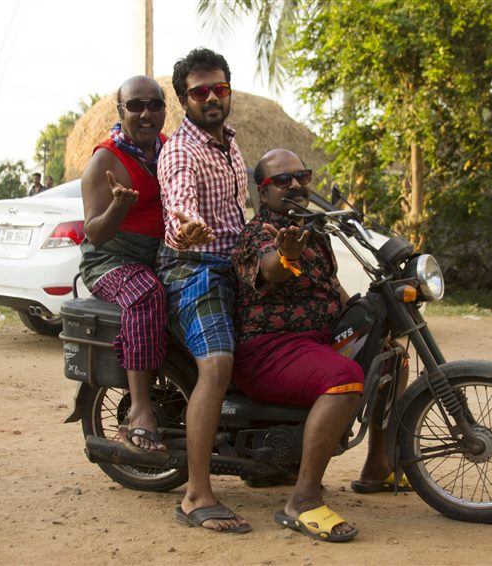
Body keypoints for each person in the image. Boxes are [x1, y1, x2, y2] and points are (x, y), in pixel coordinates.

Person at [231, 148, 407, 542]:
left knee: (390, 357)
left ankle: (376, 467)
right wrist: (286, 255)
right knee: (345, 376)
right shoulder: (259, 233)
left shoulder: (315, 229)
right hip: (270, 350)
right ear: (263, 191)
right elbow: (271, 270)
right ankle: (303, 500)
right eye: (282, 180)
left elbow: (330, 285)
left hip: (316, 341)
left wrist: (359, 314)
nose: (295, 184)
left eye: (302, 176)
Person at [157, 47, 250, 534]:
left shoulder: (231, 145)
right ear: (183, 99)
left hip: (234, 264)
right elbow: (180, 204)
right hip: (192, 268)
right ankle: (196, 495)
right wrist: (187, 228)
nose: (212, 98)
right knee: (216, 365)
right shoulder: (181, 151)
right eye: (200, 92)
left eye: (220, 88)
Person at [78, 75, 169, 452]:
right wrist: (119, 206)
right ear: (121, 111)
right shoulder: (105, 160)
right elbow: (95, 234)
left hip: (157, 256)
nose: (146, 114)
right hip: (110, 260)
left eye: (154, 105)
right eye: (135, 106)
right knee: (146, 294)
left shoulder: (168, 150)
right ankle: (140, 410)